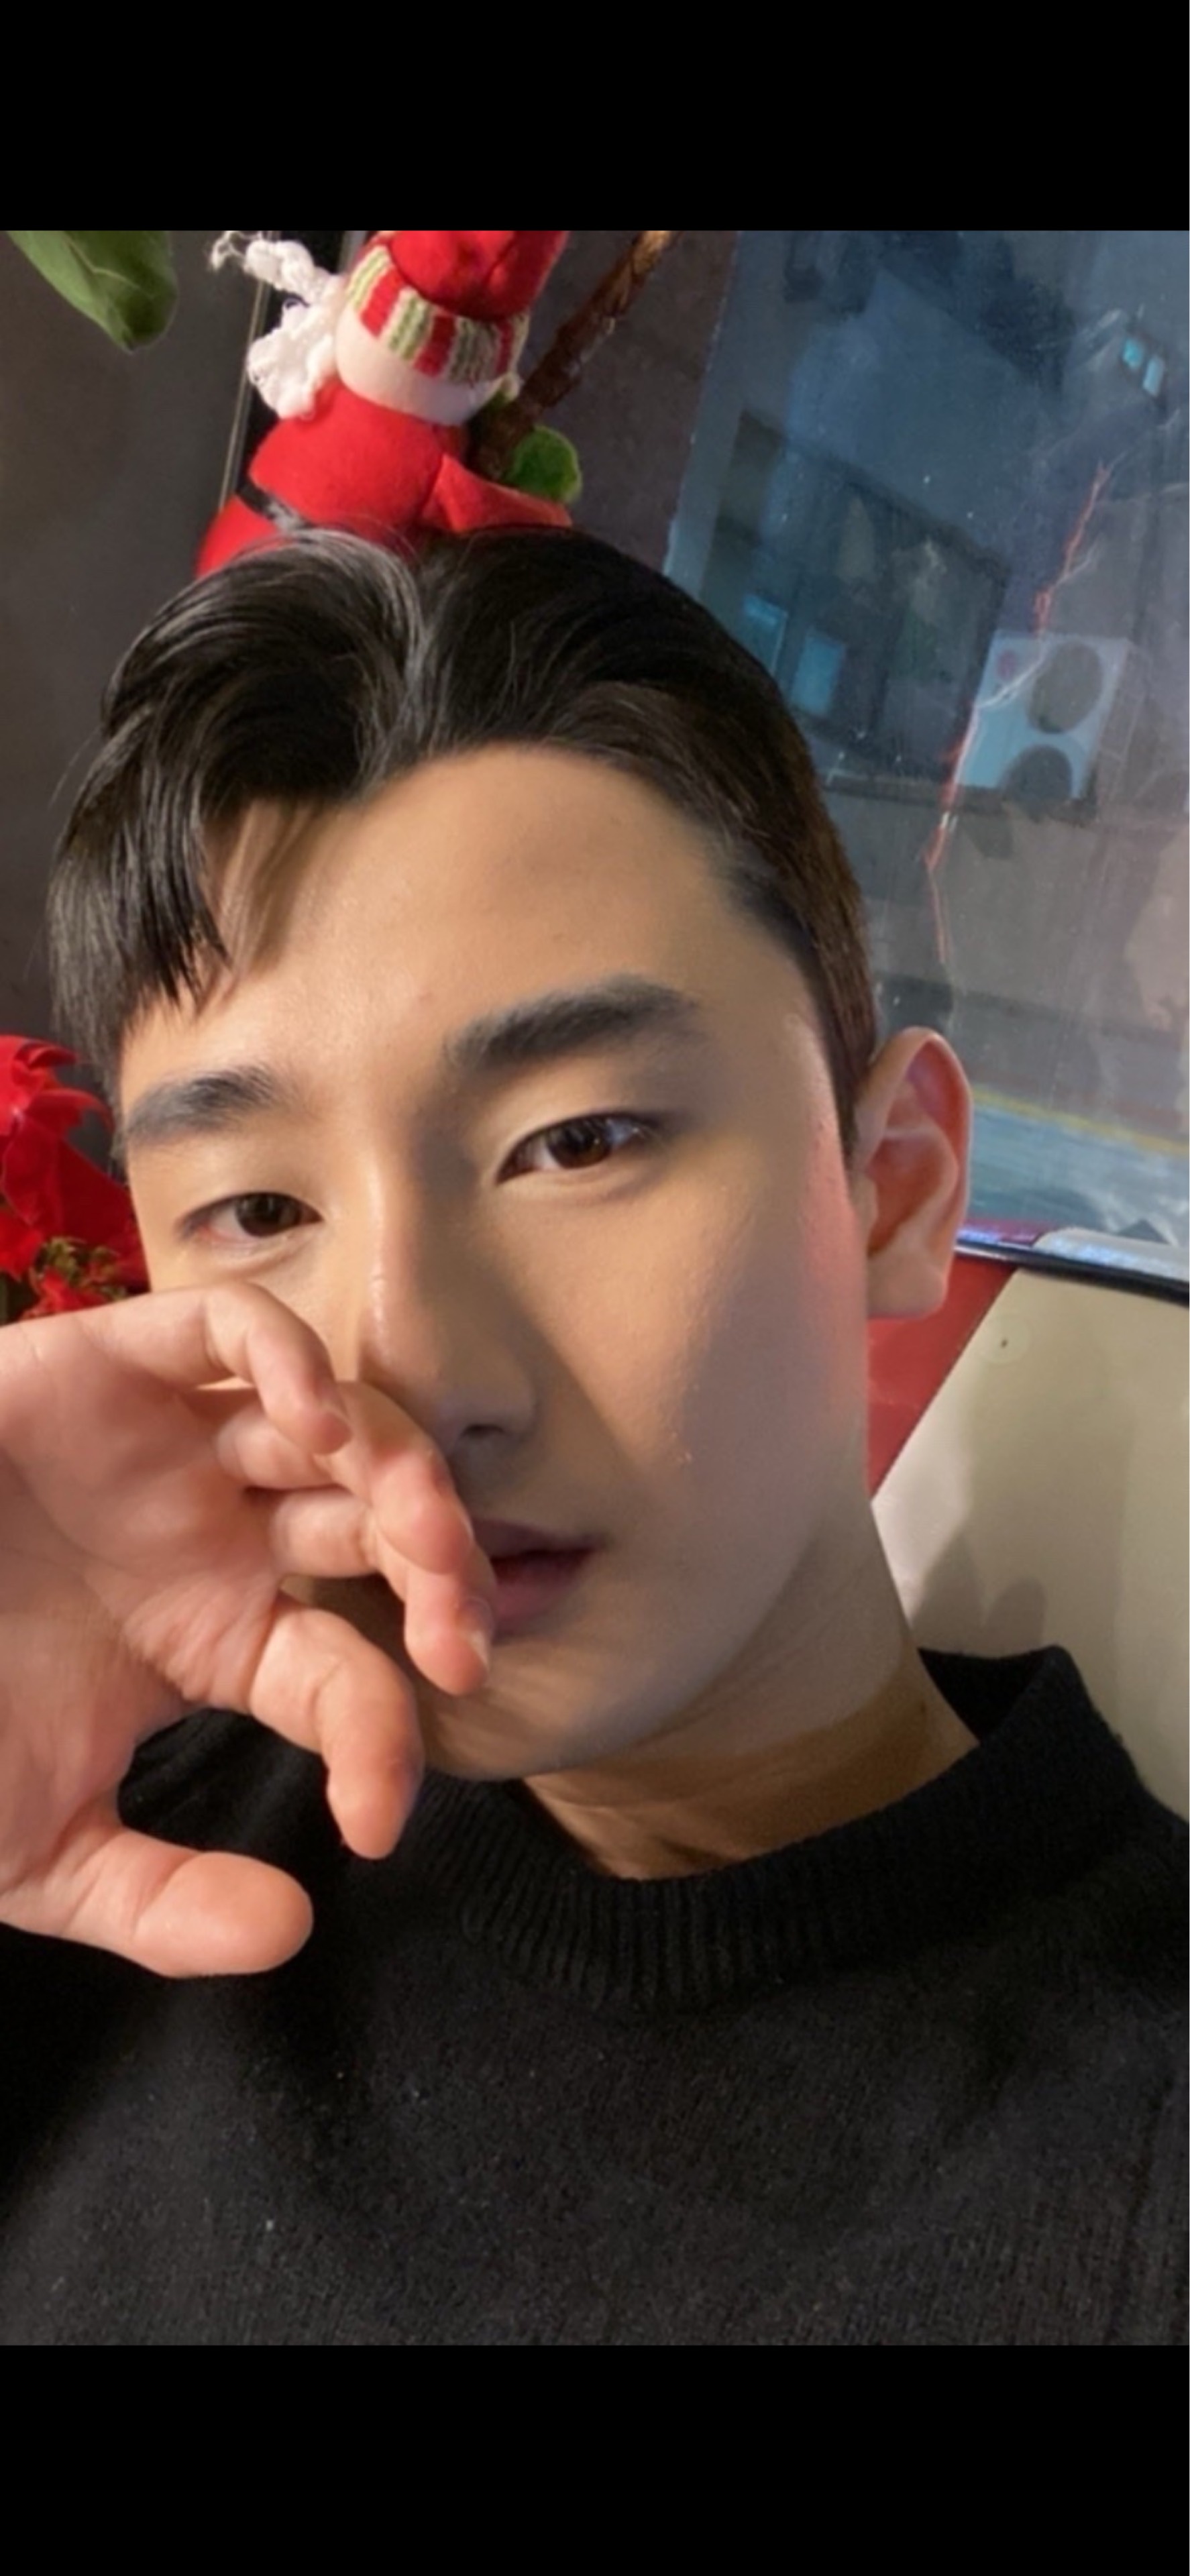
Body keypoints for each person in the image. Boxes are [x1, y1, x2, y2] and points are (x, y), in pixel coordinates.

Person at [0, 531, 1183, 2344]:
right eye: (257, 1210)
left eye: (579, 1141)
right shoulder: (94, 1844)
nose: (411, 1370)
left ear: (891, 1187)